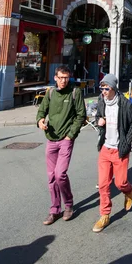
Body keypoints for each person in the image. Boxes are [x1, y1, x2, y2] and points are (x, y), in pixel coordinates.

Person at [36, 65, 86, 226]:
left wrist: (70, 135)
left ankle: (69, 204)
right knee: (51, 177)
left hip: (65, 139)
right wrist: (40, 121)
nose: (64, 80)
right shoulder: (50, 93)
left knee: (60, 174)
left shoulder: (74, 92)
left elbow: (81, 115)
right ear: (55, 78)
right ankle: (55, 209)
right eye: (61, 77)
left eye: (66, 77)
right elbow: (41, 111)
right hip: (51, 138)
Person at [92, 73, 132, 233]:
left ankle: (128, 191)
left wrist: (126, 141)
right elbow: (98, 116)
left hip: (120, 149)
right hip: (105, 148)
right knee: (103, 184)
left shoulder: (124, 104)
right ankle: (104, 215)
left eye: (106, 88)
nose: (103, 91)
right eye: (102, 88)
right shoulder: (101, 101)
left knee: (120, 183)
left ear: (113, 88)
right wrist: (99, 121)